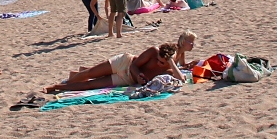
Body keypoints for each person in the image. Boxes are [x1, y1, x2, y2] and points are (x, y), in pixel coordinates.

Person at [44, 44, 184, 93]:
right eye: (158, 60)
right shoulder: (154, 51)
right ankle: (68, 82)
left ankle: (57, 87)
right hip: (124, 63)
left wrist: (171, 63)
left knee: (91, 84)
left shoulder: (168, 70)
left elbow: (181, 79)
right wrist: (139, 76)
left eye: (162, 62)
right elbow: (134, 65)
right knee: (91, 73)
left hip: (126, 79)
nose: (159, 64)